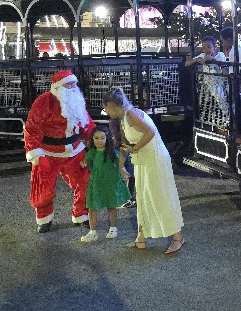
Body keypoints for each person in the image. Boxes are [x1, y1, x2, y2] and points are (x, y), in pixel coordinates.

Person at [103, 87, 184, 254]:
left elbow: (150, 132)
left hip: (155, 159)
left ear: (111, 105)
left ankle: (178, 237)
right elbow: (124, 146)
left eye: (105, 107)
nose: (105, 111)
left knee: (160, 196)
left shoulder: (131, 115)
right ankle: (141, 238)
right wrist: (120, 166)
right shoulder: (123, 119)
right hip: (142, 161)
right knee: (143, 197)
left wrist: (135, 148)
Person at [24, 69, 95, 233]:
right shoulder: (44, 102)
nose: (73, 87)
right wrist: (35, 152)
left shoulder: (77, 101)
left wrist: (96, 143)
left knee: (85, 182)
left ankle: (81, 214)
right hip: (48, 153)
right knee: (43, 188)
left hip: (75, 151)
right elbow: (32, 128)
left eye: (74, 83)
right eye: (68, 84)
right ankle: (44, 219)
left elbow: (87, 123)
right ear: (58, 87)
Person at [79, 127, 132, 243]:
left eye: (102, 138)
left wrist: (123, 171)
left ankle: (113, 228)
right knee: (92, 207)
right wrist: (84, 163)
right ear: (92, 139)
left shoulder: (112, 153)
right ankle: (92, 232)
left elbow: (120, 165)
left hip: (110, 182)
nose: (99, 141)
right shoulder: (91, 153)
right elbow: (88, 164)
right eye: (96, 138)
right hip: (96, 183)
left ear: (107, 138)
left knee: (111, 206)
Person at [184, 36, 228, 117]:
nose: (206, 50)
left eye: (209, 47)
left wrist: (212, 60)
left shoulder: (220, 55)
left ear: (215, 47)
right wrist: (197, 59)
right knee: (203, 98)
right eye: (204, 47)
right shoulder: (202, 55)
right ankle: (202, 116)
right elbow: (186, 64)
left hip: (218, 81)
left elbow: (223, 64)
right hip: (206, 82)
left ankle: (227, 115)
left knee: (220, 96)